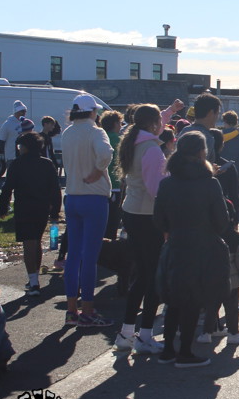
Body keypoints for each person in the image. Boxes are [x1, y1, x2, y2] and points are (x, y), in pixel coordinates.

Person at [153, 131, 230, 367]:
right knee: (194, 299)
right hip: (203, 245)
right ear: (201, 152)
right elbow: (222, 222)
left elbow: (158, 220)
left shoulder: (167, 183)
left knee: (174, 299)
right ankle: (185, 352)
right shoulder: (210, 183)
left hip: (175, 243)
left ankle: (168, 349)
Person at [112, 104, 167, 354]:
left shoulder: (133, 141)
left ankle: (126, 332)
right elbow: (157, 189)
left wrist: (168, 111)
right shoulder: (152, 149)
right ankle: (145, 334)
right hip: (148, 215)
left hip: (132, 211)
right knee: (152, 276)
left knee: (142, 274)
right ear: (153, 124)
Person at [60, 93, 113, 328]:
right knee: (90, 257)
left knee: (73, 255)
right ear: (92, 111)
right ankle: (88, 311)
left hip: (72, 197)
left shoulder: (67, 132)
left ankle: (71, 310)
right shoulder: (95, 132)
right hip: (94, 198)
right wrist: (97, 171)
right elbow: (106, 154)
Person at [0, 132, 61, 298]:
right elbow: (55, 189)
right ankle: (34, 277)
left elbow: (7, 187)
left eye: (20, 146)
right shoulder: (47, 163)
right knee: (36, 241)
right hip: (42, 208)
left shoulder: (17, 164)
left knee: (28, 243)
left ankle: (33, 282)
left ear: (25, 147)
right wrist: (55, 211)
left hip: (24, 207)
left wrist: (2, 208)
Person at [200, 199, 239, 345]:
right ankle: (233, 333)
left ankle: (207, 333)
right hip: (232, 280)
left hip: (210, 278)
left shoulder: (205, 236)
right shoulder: (236, 238)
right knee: (232, 308)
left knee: (211, 307)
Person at [100, 110, 124, 240]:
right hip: (115, 185)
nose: (121, 126)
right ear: (115, 123)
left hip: (99, 185)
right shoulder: (118, 141)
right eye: (120, 123)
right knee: (113, 222)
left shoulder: (100, 137)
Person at [178, 92, 222, 162]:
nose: (218, 117)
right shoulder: (207, 137)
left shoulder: (184, 130)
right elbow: (200, 166)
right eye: (217, 113)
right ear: (211, 112)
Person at [0, 100, 27, 168]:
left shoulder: (24, 123)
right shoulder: (7, 124)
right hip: (11, 157)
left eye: (25, 111)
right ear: (17, 112)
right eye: (22, 111)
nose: (24, 113)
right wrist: (7, 153)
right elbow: (1, 141)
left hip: (23, 156)